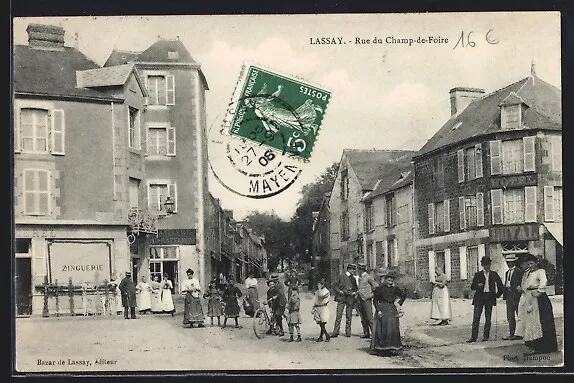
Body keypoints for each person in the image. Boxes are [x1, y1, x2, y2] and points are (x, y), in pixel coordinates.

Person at [517, 254, 558, 355]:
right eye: (528, 264)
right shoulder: (527, 273)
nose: (529, 266)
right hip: (529, 298)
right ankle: (533, 345)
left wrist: (539, 292)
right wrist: (522, 290)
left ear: (536, 263)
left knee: (539, 321)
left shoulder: (540, 271)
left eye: (531, 263)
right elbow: (525, 285)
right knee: (530, 322)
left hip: (539, 299)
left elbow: (544, 281)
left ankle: (544, 347)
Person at [370, 269, 407, 356]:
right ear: (385, 280)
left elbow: (403, 295)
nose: (390, 282)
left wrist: (398, 304)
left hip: (391, 309)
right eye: (388, 280)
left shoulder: (395, 289)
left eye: (391, 281)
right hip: (382, 309)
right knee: (381, 328)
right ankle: (380, 348)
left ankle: (391, 347)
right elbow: (375, 301)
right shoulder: (379, 289)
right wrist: (378, 310)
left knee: (392, 328)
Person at [467, 256, 503, 343]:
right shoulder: (478, 275)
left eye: (488, 264)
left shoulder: (494, 274)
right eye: (485, 264)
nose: (487, 266)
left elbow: (501, 286)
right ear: (482, 265)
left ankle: (486, 336)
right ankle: (473, 337)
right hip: (479, 298)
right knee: (476, 318)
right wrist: (477, 285)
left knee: (488, 318)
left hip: (489, 298)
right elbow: (472, 287)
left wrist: (497, 295)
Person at [331, 263, 358, 338]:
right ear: (348, 269)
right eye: (352, 269)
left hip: (350, 298)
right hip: (341, 297)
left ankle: (348, 331)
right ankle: (336, 331)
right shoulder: (341, 276)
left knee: (349, 315)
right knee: (339, 315)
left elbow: (355, 288)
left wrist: (354, 293)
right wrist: (339, 291)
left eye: (354, 269)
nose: (354, 271)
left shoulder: (353, 279)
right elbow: (334, 285)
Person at [502, 253, 524, 340]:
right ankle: (512, 334)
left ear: (514, 262)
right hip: (509, 296)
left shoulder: (519, 272)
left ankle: (520, 334)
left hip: (517, 296)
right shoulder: (507, 272)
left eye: (510, 262)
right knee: (510, 316)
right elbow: (506, 283)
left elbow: (522, 283)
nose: (509, 264)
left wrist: (518, 288)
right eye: (507, 262)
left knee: (519, 315)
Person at [356, 262, 379, 339]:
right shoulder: (360, 278)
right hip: (360, 299)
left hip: (366, 300)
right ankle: (366, 333)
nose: (357, 270)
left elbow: (376, 286)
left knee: (369, 317)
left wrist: (370, 295)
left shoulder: (368, 277)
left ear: (361, 269)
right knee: (363, 317)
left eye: (358, 269)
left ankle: (374, 334)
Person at [312, 278, 331, 342]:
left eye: (321, 284)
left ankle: (326, 335)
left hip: (323, 307)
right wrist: (313, 307)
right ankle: (322, 336)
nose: (319, 285)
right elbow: (315, 300)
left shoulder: (326, 291)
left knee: (322, 322)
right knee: (320, 322)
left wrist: (319, 289)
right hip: (317, 308)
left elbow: (321, 296)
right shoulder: (317, 291)